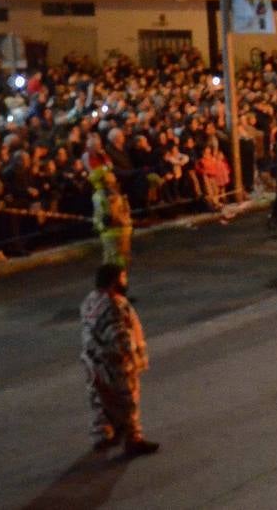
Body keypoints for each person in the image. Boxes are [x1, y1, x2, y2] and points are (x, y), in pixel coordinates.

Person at [80, 263, 158, 457]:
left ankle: (104, 435)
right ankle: (133, 440)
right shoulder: (113, 304)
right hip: (115, 365)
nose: (126, 281)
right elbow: (119, 337)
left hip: (94, 362)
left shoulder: (91, 300)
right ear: (115, 280)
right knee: (127, 402)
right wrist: (131, 360)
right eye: (123, 277)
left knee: (102, 400)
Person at [90, 168, 133, 278]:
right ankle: (117, 280)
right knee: (117, 258)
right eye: (109, 173)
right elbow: (108, 215)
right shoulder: (107, 194)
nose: (112, 174)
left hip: (115, 230)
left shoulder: (103, 194)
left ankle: (112, 280)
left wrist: (98, 224)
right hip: (116, 230)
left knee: (112, 258)